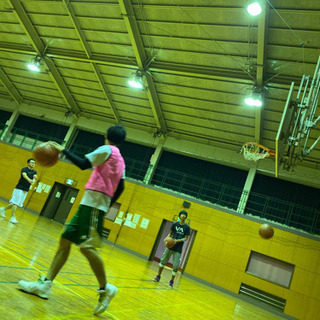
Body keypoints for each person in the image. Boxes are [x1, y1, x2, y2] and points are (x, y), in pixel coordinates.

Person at [18, 124, 126, 316]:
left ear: (105, 135)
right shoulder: (121, 160)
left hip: (94, 204)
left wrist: (63, 150)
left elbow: (84, 164)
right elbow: (121, 187)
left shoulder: (106, 149)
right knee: (65, 240)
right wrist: (109, 203)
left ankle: (105, 288)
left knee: (87, 247)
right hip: (91, 203)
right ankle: (46, 285)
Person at [153, 210, 190, 288]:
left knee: (176, 266)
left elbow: (185, 238)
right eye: (182, 214)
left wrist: (176, 240)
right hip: (170, 246)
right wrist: (167, 237)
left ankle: (171, 281)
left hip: (178, 249)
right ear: (179, 216)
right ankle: (158, 276)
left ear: (186, 217)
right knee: (162, 261)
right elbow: (170, 233)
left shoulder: (187, 227)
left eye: (184, 215)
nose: (183, 216)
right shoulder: (175, 224)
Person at [0, 158, 37, 224]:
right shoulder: (24, 169)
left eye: (34, 163)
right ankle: (12, 217)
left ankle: (2, 209)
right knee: (15, 203)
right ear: (28, 163)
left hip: (25, 190)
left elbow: (35, 177)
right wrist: (29, 180)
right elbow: (24, 175)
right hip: (19, 188)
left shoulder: (34, 172)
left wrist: (33, 181)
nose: (33, 164)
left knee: (16, 203)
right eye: (31, 162)